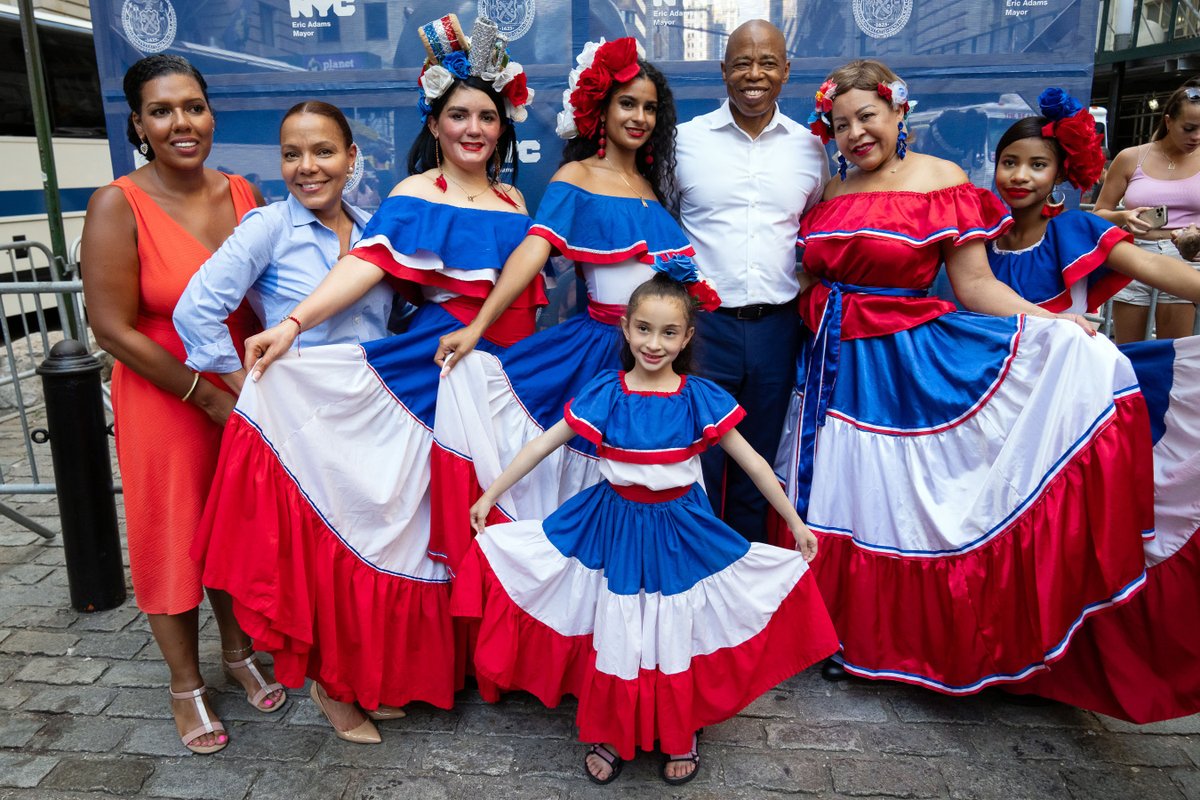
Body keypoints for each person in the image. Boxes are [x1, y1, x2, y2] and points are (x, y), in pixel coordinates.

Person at [191, 14, 539, 744]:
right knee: (387, 531)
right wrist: (292, 325)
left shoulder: (515, 202)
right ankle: (342, 679)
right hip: (438, 375)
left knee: (465, 523)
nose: (473, 128)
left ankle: (450, 668)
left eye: (486, 116)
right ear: (435, 124)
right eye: (458, 116)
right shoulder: (413, 194)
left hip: (504, 380)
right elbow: (367, 267)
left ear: (503, 126)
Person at [772, 60, 1154, 697]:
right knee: (836, 493)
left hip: (901, 372)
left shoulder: (942, 180)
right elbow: (811, 272)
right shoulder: (830, 191)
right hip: (825, 368)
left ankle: (883, 638)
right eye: (840, 124)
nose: (855, 133)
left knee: (890, 501)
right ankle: (823, 626)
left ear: (899, 113)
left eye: (867, 116)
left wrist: (1053, 324)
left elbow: (975, 285)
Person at [456, 269, 838, 785]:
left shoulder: (698, 396)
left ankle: (680, 729)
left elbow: (752, 461)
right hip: (612, 525)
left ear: (687, 337)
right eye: (643, 329)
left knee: (672, 624)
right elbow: (543, 443)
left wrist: (793, 521)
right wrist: (491, 493)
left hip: (680, 530)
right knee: (621, 624)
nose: (653, 343)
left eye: (668, 332)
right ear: (626, 328)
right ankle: (614, 728)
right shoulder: (606, 393)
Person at [80, 54, 285, 756]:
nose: (181, 123)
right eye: (162, 111)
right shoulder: (117, 204)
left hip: (240, 389)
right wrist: (205, 397)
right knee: (172, 535)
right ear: (138, 125)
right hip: (165, 394)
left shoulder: (241, 192)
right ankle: (185, 684)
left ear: (210, 114)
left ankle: (238, 651)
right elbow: (111, 329)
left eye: (193, 106)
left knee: (233, 527)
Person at [431, 38, 694, 577]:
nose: (639, 117)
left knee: (644, 488)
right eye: (627, 103)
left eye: (649, 107)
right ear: (601, 108)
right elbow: (535, 249)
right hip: (598, 356)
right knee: (590, 487)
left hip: (657, 360)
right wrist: (478, 325)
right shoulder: (577, 177)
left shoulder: (650, 187)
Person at [984, 92, 1200, 722]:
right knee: (999, 528)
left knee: (1054, 534)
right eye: (1009, 162)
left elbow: (1165, 274)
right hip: (994, 411)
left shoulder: (1074, 230)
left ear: (1060, 173)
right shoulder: (982, 238)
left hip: (1065, 415)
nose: (1020, 176)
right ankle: (998, 649)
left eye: (1037, 165)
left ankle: (1050, 661)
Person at [673, 19, 828, 544]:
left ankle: (747, 573)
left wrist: (801, 278)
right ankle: (693, 567)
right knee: (696, 460)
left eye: (767, 63)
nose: (754, 74)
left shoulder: (810, 149)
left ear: (786, 70)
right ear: (723, 71)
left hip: (776, 331)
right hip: (702, 328)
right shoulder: (684, 142)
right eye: (742, 63)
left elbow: (817, 226)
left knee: (757, 466)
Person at [174, 100, 394, 386]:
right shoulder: (269, 228)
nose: (306, 167)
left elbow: (403, 316)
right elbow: (195, 310)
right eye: (292, 155)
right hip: (303, 404)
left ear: (350, 157)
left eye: (323, 151)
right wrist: (249, 394)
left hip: (380, 399)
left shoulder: (374, 231)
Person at [1092, 78, 1200, 342]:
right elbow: (1098, 215)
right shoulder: (1131, 157)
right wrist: (1123, 216)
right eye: (1189, 128)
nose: (1196, 137)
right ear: (1168, 122)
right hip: (1134, 255)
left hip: (1185, 259)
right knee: (1130, 353)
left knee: (1171, 353)